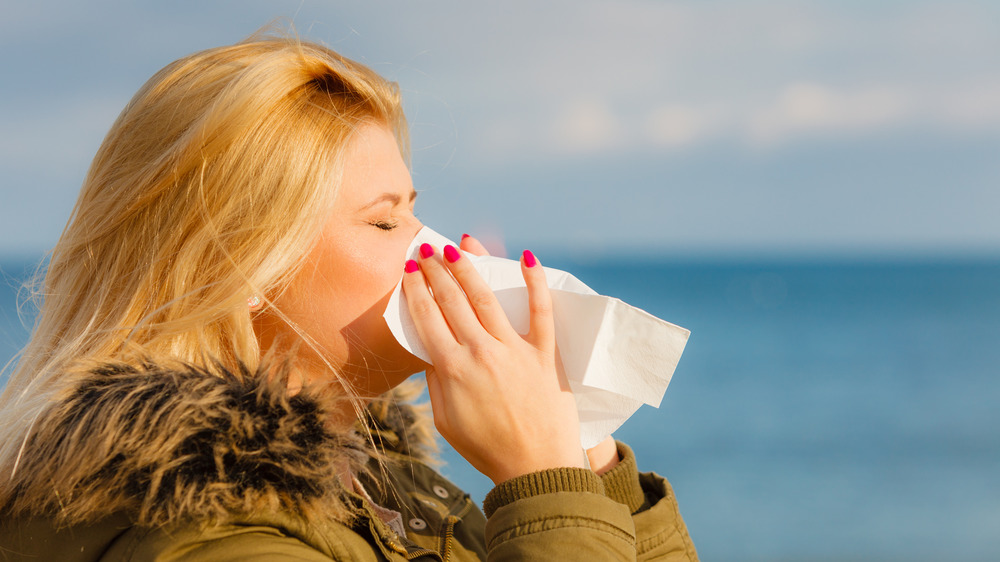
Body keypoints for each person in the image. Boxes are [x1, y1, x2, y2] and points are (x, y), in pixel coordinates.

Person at [0, 33, 698, 561]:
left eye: (417, 213)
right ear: (238, 270)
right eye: (386, 221)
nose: (434, 252)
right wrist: (542, 486)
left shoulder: (379, 487)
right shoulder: (210, 537)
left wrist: (578, 448)